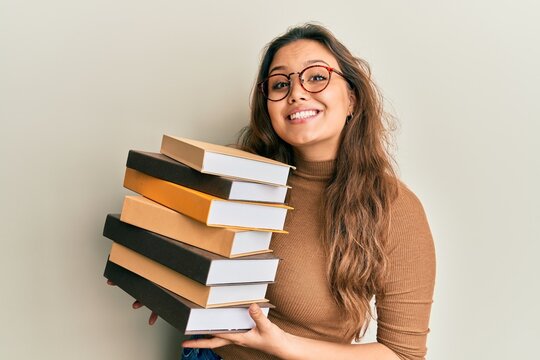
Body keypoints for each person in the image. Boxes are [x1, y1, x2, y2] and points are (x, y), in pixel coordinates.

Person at [143, 23, 435, 359]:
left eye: (316, 77)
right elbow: (204, 260)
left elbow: (402, 354)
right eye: (281, 83)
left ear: (351, 98)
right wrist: (162, 283)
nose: (296, 93)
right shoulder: (237, 174)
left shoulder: (396, 209)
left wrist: (283, 345)